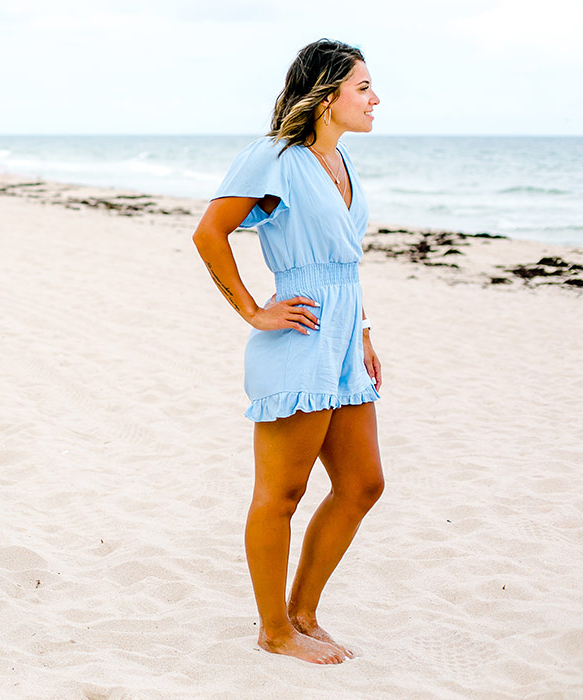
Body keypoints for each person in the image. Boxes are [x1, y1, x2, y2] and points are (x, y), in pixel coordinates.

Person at [192, 39, 384, 664]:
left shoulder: (343, 161)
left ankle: (303, 611)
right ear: (328, 95)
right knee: (282, 493)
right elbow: (209, 232)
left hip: (343, 340)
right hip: (297, 337)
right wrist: (251, 309)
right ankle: (275, 630)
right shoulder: (274, 157)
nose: (374, 99)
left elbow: (343, 265)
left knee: (361, 484)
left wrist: (363, 331)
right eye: (363, 88)